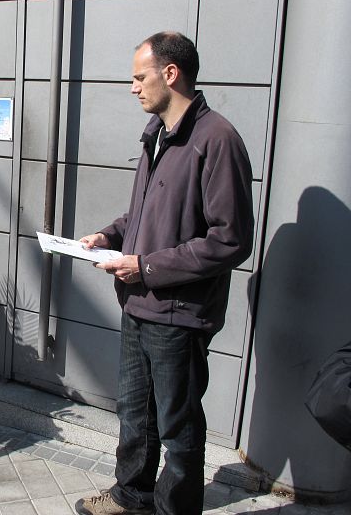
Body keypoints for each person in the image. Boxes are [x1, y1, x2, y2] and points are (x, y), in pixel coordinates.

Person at [76, 32, 254, 514]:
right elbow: (145, 215)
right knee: (135, 414)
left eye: (140, 77)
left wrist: (146, 266)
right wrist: (109, 235)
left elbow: (230, 240)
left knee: (178, 427)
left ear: (170, 73)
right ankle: (131, 495)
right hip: (139, 304)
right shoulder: (156, 135)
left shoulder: (217, 140)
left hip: (179, 314)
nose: (133, 87)